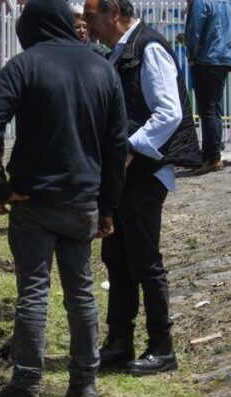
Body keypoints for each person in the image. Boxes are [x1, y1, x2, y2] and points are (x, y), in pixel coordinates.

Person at [0, 0, 128, 397]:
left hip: (34, 201)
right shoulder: (103, 68)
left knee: (34, 293)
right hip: (83, 201)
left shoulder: (24, 66)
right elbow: (117, 146)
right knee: (81, 292)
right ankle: (84, 382)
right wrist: (108, 206)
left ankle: (25, 387)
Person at [85, 0, 201, 376]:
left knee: (145, 262)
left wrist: (131, 148)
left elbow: (169, 112)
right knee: (116, 259)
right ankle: (119, 343)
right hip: (122, 176)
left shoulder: (148, 48)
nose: (88, 25)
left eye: (92, 16)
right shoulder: (118, 53)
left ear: (114, 13)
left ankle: (162, 347)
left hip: (145, 174)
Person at [186, 0, 231, 175]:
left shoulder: (202, 2)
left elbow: (194, 32)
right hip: (223, 59)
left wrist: (191, 54)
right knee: (215, 108)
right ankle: (212, 153)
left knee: (208, 110)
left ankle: (212, 157)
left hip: (206, 59)